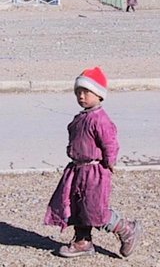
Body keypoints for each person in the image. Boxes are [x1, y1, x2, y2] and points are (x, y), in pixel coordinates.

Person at [44, 66, 142, 258]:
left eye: (86, 92)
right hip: (77, 170)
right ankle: (82, 241)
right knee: (77, 206)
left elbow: (110, 142)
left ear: (99, 95)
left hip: (95, 171)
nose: (81, 96)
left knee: (95, 208)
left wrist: (110, 160)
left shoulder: (100, 120)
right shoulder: (81, 117)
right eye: (78, 92)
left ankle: (126, 229)